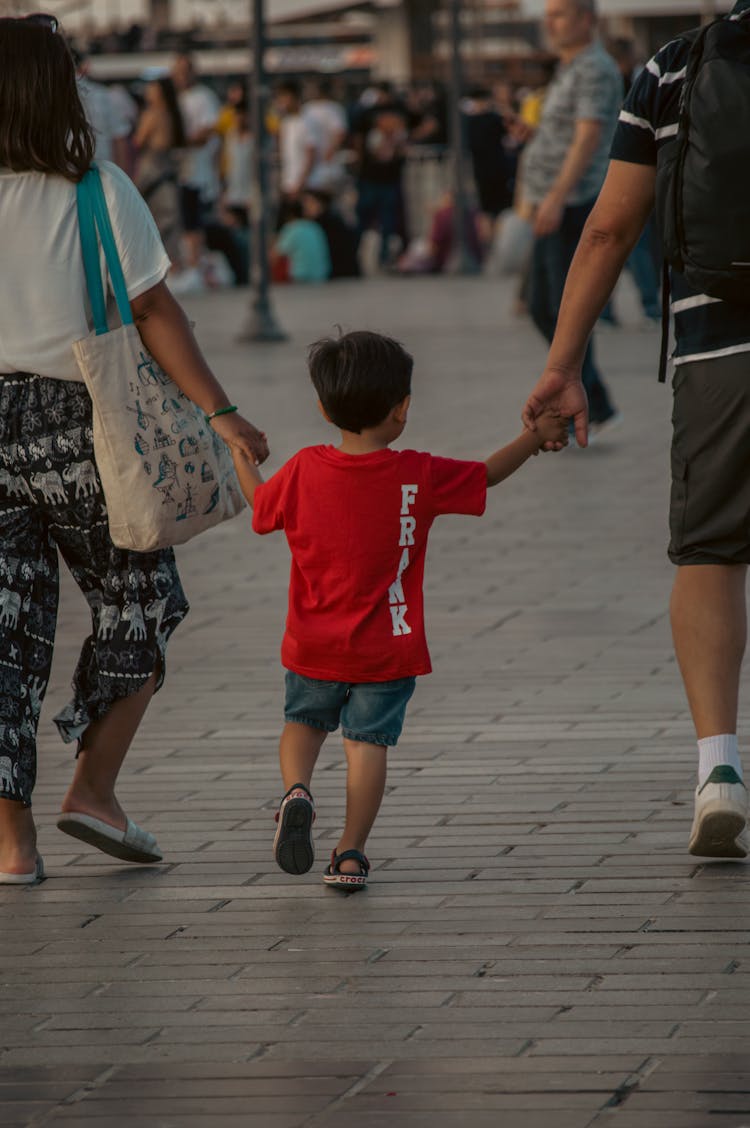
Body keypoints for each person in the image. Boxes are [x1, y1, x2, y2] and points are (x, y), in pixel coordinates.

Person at [0, 16, 269, 884]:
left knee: (4, 636)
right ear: (57, 87)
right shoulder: (96, 188)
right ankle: (94, 790)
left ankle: (12, 850)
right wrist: (221, 411)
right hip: (79, 421)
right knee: (141, 598)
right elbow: (155, 313)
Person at [521, 0, 750, 859]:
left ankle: (719, 769)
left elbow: (611, 226)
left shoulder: (672, 69)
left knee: (711, 552)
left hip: (717, 342)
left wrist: (563, 364)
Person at [229, 331, 567, 890]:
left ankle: (297, 791)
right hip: (388, 647)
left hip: (312, 643)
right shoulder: (418, 473)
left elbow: (261, 509)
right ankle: (351, 854)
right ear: (401, 409)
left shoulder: (305, 469)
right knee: (367, 747)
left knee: (302, 725)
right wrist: (533, 438)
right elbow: (487, 475)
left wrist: (243, 459)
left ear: (322, 407)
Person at [521, 0, 622, 436]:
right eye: (549, 14)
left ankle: (588, 397)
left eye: (560, 13)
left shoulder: (594, 69)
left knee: (560, 306)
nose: (551, 22)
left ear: (586, 19)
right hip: (554, 202)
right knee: (541, 302)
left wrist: (557, 196)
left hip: (574, 202)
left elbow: (588, 136)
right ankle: (590, 396)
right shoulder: (571, 66)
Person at [171, 53, 221, 294]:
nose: (179, 76)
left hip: (196, 170)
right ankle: (188, 267)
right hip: (180, 170)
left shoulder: (203, 97)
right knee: (181, 220)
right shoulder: (177, 98)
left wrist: (182, 142)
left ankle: (195, 269)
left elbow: (209, 130)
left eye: (183, 70)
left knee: (193, 221)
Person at [133, 75, 186, 266]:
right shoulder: (173, 113)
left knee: (153, 219)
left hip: (152, 169)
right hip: (168, 169)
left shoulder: (153, 114)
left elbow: (138, 141)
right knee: (169, 220)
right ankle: (174, 264)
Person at [272, 199, 331, 284]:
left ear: (289, 216)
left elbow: (276, 255)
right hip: (321, 275)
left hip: (301, 276)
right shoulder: (315, 227)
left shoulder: (291, 228)